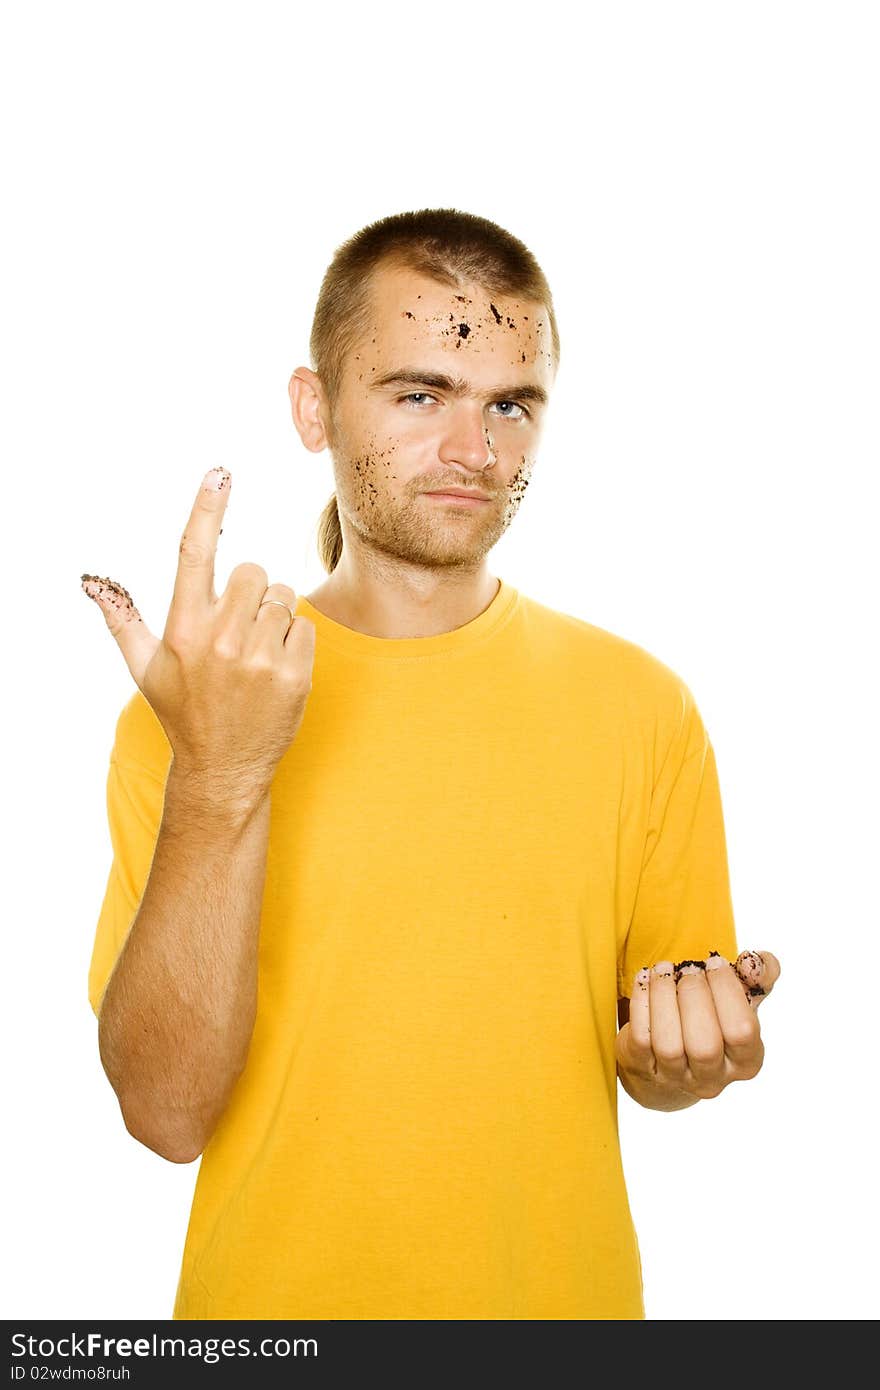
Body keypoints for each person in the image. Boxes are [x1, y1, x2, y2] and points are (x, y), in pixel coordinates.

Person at [82, 207, 780, 1321]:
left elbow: (651, 1046)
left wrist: (681, 1057)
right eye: (419, 395)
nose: (476, 452)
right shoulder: (196, 710)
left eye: (511, 403)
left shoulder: (642, 706)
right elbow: (165, 1115)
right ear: (313, 409)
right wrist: (218, 774)